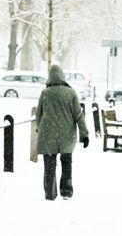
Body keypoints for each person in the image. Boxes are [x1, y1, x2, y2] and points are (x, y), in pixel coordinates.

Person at [36, 64, 89, 200]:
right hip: (67, 135)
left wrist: (39, 128)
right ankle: (66, 191)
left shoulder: (45, 93)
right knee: (66, 162)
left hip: (48, 135)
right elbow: (79, 115)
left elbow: (39, 114)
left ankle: (50, 193)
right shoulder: (70, 93)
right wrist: (84, 134)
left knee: (49, 165)